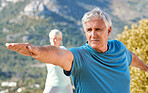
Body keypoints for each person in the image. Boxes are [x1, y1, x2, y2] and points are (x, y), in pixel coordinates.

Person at [5, 7, 148, 93]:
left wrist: (145, 68)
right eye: (89, 30)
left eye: (98, 29)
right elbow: (58, 54)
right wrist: (36, 51)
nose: (93, 34)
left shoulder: (119, 48)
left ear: (109, 30)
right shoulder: (80, 56)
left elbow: (131, 57)